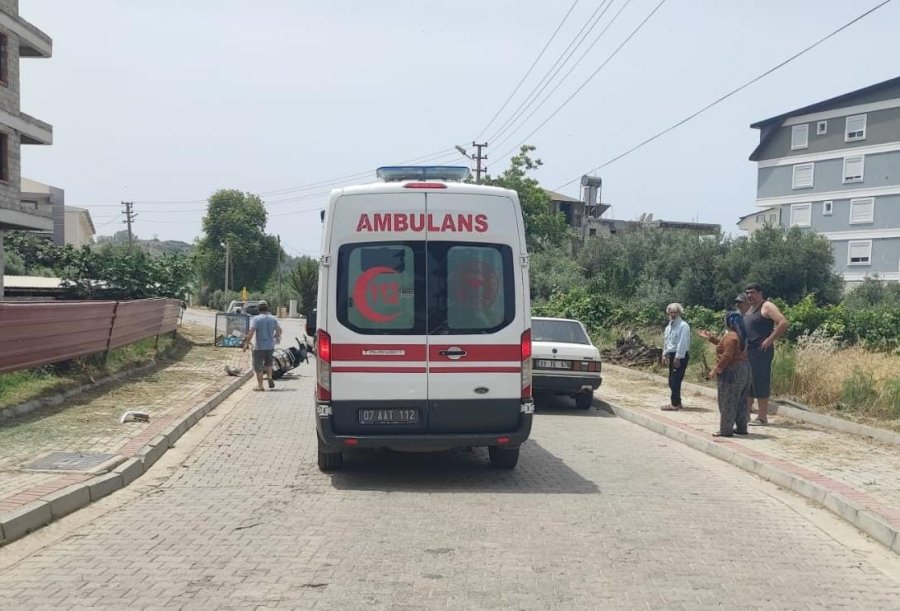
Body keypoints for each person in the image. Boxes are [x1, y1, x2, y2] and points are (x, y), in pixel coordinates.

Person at [743, 283, 789, 425]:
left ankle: (762, 417)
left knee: (760, 382)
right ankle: (746, 414)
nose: (750, 295)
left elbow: (783, 322)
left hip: (761, 351)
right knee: (749, 383)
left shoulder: (767, 306)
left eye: (753, 292)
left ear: (760, 293)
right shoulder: (750, 309)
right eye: (748, 293)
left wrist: (770, 340)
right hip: (749, 351)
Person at [705, 311, 751, 437]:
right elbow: (727, 346)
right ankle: (742, 427)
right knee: (741, 401)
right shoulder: (740, 335)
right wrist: (711, 338)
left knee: (727, 401)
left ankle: (725, 430)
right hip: (745, 369)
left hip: (732, 371)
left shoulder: (731, 336)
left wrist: (716, 369)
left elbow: (727, 355)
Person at [242, 301, 283, 391]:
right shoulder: (273, 318)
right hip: (270, 346)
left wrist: (246, 343)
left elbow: (251, 331)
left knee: (258, 366)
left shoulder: (256, 319)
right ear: (267, 308)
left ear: (258, 309)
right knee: (269, 364)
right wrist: (276, 336)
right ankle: (269, 376)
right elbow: (279, 330)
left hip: (259, 347)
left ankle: (260, 386)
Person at [660, 303, 691, 411]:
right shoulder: (669, 327)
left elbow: (682, 343)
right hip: (671, 354)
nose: (673, 314)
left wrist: (678, 357)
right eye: (671, 312)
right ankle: (677, 402)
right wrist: (664, 354)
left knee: (675, 380)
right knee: (671, 380)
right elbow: (667, 341)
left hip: (680, 356)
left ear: (679, 313)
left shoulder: (683, 326)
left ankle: (675, 403)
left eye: (675, 312)